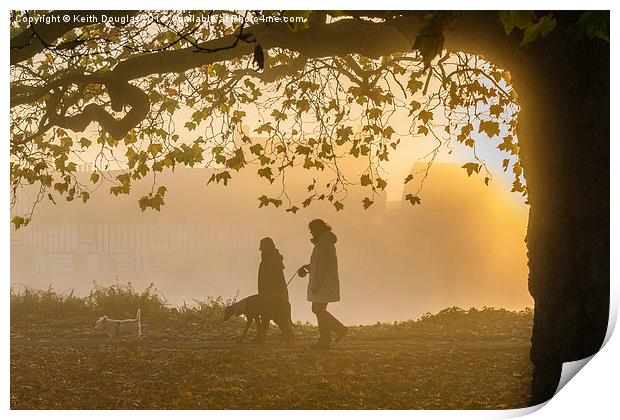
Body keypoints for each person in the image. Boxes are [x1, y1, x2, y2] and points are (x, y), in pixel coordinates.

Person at [298, 219, 348, 349]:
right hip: (326, 282)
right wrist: (307, 267)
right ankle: (327, 339)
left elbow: (320, 267)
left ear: (318, 230)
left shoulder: (322, 245)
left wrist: (314, 286)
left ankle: (336, 331)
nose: (311, 233)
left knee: (317, 309)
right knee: (319, 309)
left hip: (322, 283)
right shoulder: (325, 243)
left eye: (312, 230)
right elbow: (319, 264)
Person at [257, 237, 288, 302]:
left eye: (262, 247)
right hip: (278, 299)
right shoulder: (275, 260)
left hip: (271, 300)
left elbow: (266, 283)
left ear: (267, 247)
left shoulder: (268, 262)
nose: (260, 249)